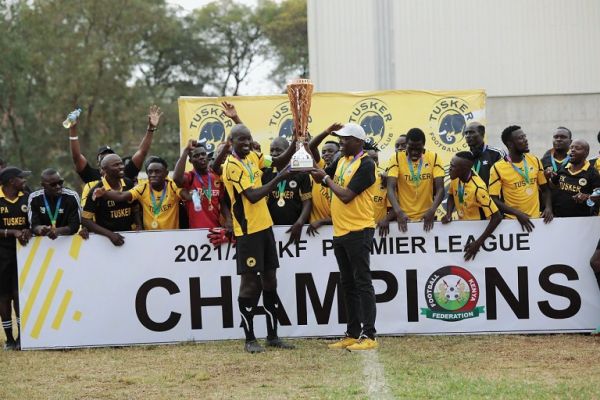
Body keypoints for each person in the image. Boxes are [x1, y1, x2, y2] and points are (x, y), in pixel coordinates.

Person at [222, 124, 297, 353]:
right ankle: (249, 338)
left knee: (270, 280)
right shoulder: (231, 166)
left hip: (265, 227)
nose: (245, 144)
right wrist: (279, 178)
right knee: (250, 285)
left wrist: (295, 142)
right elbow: (253, 196)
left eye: (248, 139)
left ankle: (272, 335)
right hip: (248, 232)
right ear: (231, 142)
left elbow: (276, 163)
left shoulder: (253, 156)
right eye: (240, 140)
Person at [309, 123, 378, 351]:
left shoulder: (366, 164)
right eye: (340, 139)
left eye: (345, 139)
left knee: (362, 282)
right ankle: (352, 333)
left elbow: (347, 195)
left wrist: (326, 179)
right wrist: (324, 132)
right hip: (340, 231)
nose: (341, 142)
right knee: (347, 284)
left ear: (358, 141)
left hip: (359, 230)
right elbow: (312, 154)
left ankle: (369, 335)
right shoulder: (342, 160)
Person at [68, 105, 162, 183]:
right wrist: (73, 129)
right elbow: (76, 157)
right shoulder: (92, 176)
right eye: (103, 157)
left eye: (111, 156)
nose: (108, 158)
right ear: (99, 164)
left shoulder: (124, 173)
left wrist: (151, 128)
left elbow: (142, 152)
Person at [94, 156, 189, 230]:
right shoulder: (142, 188)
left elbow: (186, 196)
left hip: (173, 237)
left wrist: (192, 195)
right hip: (148, 238)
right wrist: (104, 194)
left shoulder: (172, 186)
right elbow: (122, 195)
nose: (153, 175)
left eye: (157, 172)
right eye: (150, 172)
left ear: (166, 173)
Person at [488, 125, 553, 232]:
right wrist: (517, 213)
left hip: (537, 221)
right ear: (510, 144)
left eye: (525, 136)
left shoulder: (534, 160)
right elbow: (493, 199)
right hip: (512, 222)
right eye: (520, 138)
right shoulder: (497, 168)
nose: (526, 140)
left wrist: (548, 207)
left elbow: (545, 189)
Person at [441, 152, 502, 260]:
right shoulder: (455, 177)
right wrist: (449, 213)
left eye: (453, 166)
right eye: (450, 165)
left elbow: (497, 217)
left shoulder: (478, 188)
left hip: (478, 236)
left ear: (464, 169)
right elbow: (451, 195)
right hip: (463, 230)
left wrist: (478, 243)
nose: (449, 169)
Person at [386, 128, 445, 232]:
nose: (414, 152)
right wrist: (399, 212)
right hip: (403, 217)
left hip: (427, 217)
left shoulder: (434, 157)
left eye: (418, 148)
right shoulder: (396, 158)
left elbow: (440, 189)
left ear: (423, 145)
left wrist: (432, 211)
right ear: (406, 145)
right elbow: (390, 188)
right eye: (411, 148)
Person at [0, 167, 32, 350]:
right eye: (22, 178)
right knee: (3, 297)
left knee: (18, 295)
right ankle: (9, 339)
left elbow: (33, 222)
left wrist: (28, 229)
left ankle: (22, 337)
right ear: (12, 181)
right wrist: (12, 232)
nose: (24, 181)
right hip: (2, 255)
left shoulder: (26, 197)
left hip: (23, 254)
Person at [81, 154, 140, 246]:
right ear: (104, 169)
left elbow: (135, 206)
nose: (121, 167)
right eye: (116, 165)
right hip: (106, 240)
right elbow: (85, 220)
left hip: (130, 236)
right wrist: (110, 235)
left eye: (121, 164)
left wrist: (139, 225)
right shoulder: (96, 190)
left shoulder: (128, 183)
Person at [262, 137, 312, 244]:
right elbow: (263, 203)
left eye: (278, 150)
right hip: (272, 229)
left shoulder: (301, 172)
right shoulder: (266, 173)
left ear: (288, 151)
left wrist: (300, 222)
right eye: (272, 150)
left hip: (297, 227)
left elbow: (307, 201)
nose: (274, 153)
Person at [173, 140, 231, 230]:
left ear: (207, 157)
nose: (201, 157)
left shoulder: (215, 177)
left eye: (203, 154)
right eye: (196, 156)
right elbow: (176, 178)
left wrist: (228, 219)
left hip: (216, 229)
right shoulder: (190, 177)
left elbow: (222, 202)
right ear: (191, 161)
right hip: (196, 231)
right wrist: (185, 151)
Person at [306, 124, 343, 235]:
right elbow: (311, 147)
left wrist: (322, 221)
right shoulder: (320, 168)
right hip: (314, 229)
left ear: (340, 153)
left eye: (330, 151)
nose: (326, 154)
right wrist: (327, 131)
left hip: (337, 227)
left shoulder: (345, 173)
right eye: (324, 152)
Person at [548, 139, 600, 217]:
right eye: (571, 148)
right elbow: (552, 185)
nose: (572, 150)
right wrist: (550, 177)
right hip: (558, 217)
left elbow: (598, 196)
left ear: (586, 153)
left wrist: (587, 197)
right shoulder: (563, 168)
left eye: (577, 148)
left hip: (581, 219)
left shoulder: (593, 173)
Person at [28, 169, 81, 239]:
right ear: (43, 185)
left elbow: (75, 226)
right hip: (42, 244)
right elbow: (33, 226)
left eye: (60, 182)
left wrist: (57, 231)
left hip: (67, 243)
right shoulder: (34, 198)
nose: (58, 186)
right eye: (53, 184)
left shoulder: (72, 196)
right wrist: (40, 229)